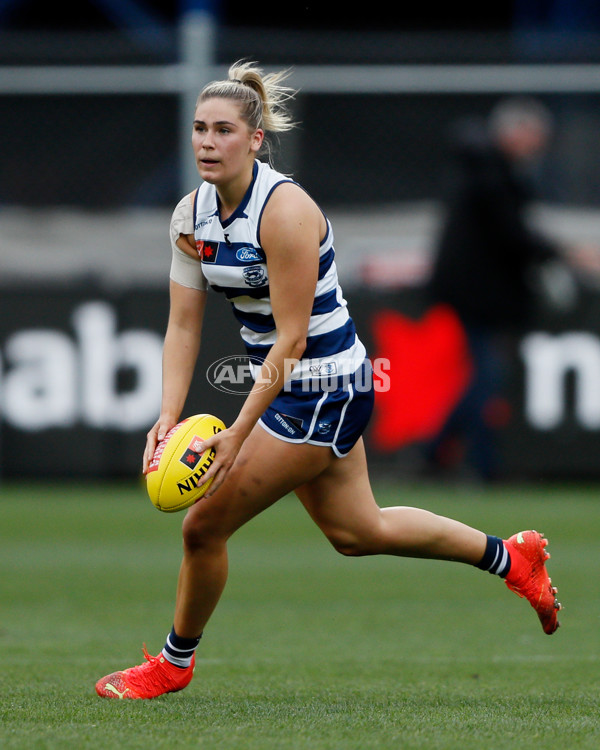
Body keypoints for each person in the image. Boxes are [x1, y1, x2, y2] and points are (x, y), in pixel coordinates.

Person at [95, 63, 561, 700]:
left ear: (255, 140)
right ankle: (513, 558)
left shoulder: (284, 210)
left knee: (202, 526)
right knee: (356, 532)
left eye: (224, 130)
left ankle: (173, 665)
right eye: (199, 128)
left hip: (325, 389)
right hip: (290, 387)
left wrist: (235, 435)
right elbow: (182, 328)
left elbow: (290, 339)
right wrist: (166, 415)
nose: (206, 141)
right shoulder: (189, 215)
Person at [425, 97, 578, 481]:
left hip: (476, 294)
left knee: (484, 377)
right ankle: (477, 465)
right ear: (515, 132)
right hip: (478, 296)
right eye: (534, 136)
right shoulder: (492, 173)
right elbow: (511, 234)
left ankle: (434, 456)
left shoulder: (487, 168)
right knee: (487, 377)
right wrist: (563, 253)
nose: (538, 146)